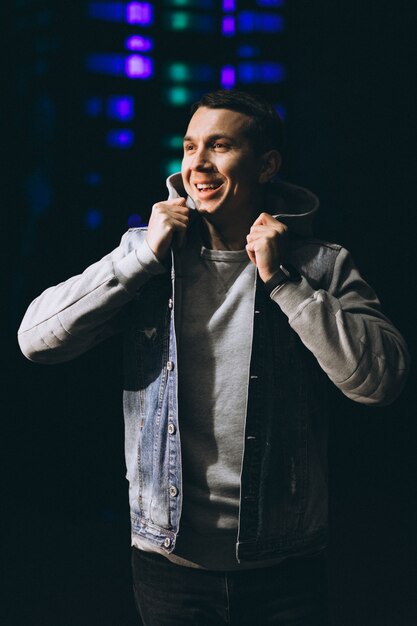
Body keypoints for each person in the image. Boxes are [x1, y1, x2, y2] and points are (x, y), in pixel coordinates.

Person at [18, 90, 409, 625]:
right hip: (169, 565)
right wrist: (140, 259)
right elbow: (35, 340)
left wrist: (284, 283)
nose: (197, 163)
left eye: (219, 146)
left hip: (285, 563)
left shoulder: (318, 265)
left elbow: (381, 381)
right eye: (189, 147)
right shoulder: (150, 257)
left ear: (267, 164)